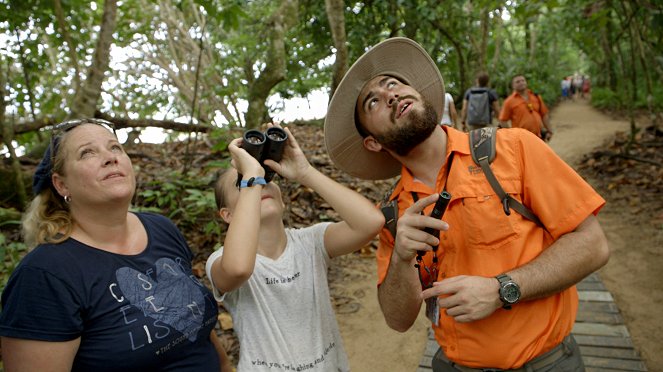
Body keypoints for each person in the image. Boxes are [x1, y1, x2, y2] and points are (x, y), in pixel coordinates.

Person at [324, 37, 610, 371]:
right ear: (372, 143)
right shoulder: (393, 214)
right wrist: (402, 259)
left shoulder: (512, 148)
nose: (390, 95)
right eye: (372, 102)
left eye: (393, 84)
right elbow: (398, 320)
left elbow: (593, 244)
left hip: (547, 362)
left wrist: (501, 289)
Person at [0, 118, 231, 372]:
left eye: (115, 147)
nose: (110, 158)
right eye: (87, 152)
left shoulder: (162, 229)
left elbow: (197, 326)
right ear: (61, 184)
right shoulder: (44, 275)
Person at [205, 124, 384, 371]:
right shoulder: (221, 259)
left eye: (265, 179)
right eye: (244, 183)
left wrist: (304, 171)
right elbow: (238, 269)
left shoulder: (311, 242)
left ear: (282, 199)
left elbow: (371, 223)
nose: (259, 184)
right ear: (227, 215)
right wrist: (251, 177)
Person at [499, 74, 554, 141]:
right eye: (517, 82)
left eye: (523, 80)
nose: (521, 83)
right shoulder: (509, 101)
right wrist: (511, 135)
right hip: (522, 139)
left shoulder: (535, 96)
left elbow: (544, 115)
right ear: (513, 86)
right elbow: (502, 120)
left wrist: (549, 130)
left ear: (526, 82)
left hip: (539, 136)